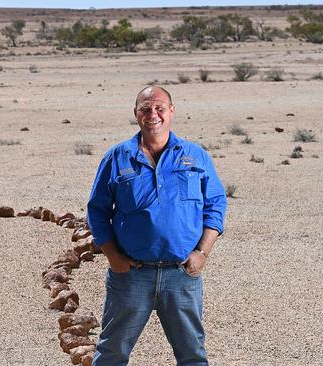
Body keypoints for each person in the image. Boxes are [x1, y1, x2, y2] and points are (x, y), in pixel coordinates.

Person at [86, 86, 227, 365]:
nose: (153, 114)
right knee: (112, 352)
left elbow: (215, 205)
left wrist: (203, 253)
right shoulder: (116, 158)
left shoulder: (195, 156)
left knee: (193, 355)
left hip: (181, 275)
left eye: (160, 107)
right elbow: (97, 211)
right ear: (136, 114)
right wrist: (113, 257)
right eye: (145, 108)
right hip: (131, 275)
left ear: (172, 111)